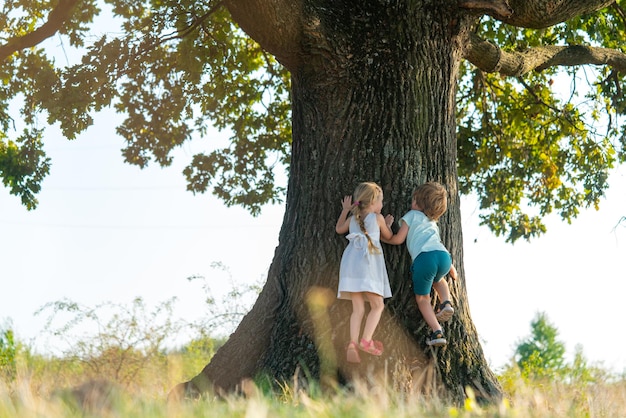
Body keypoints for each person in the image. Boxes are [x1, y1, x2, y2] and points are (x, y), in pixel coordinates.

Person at [385, 181, 458, 347]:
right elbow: (437, 244)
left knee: (423, 298)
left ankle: (437, 331)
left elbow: (397, 240)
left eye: (413, 200)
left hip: (424, 260)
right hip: (444, 257)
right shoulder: (432, 223)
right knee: (439, 280)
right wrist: (451, 267)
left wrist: (384, 233)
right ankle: (446, 301)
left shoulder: (410, 216)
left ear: (417, 202)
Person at [335, 182, 394, 363]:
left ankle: (352, 343)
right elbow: (389, 237)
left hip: (351, 266)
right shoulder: (378, 218)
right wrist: (388, 225)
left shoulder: (353, 219)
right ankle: (366, 340)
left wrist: (345, 210)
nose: (382, 205)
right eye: (381, 201)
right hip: (369, 267)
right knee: (377, 306)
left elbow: (339, 229)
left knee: (358, 309)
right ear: (374, 201)